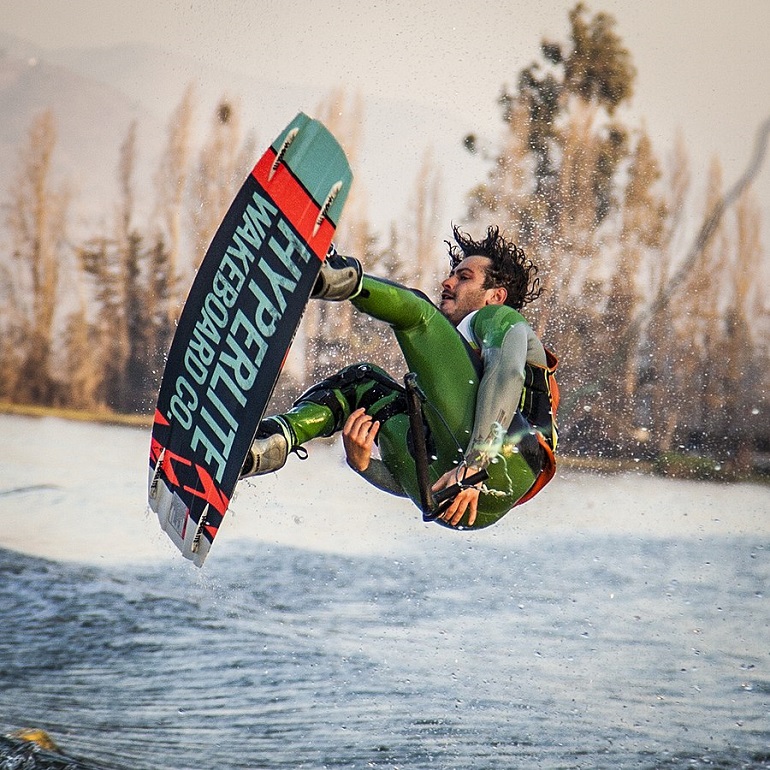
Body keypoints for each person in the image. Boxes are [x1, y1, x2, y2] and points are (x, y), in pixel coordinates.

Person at [240, 225, 559, 529]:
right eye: (450, 275)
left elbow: (506, 376)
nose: (448, 283)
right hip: (459, 503)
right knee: (360, 385)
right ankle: (265, 446)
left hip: (505, 458)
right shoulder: (454, 377)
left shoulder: (501, 319)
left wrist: (476, 464)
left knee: (417, 311)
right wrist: (364, 465)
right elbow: (414, 482)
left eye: (464, 277)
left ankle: (326, 274)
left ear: (495, 296)